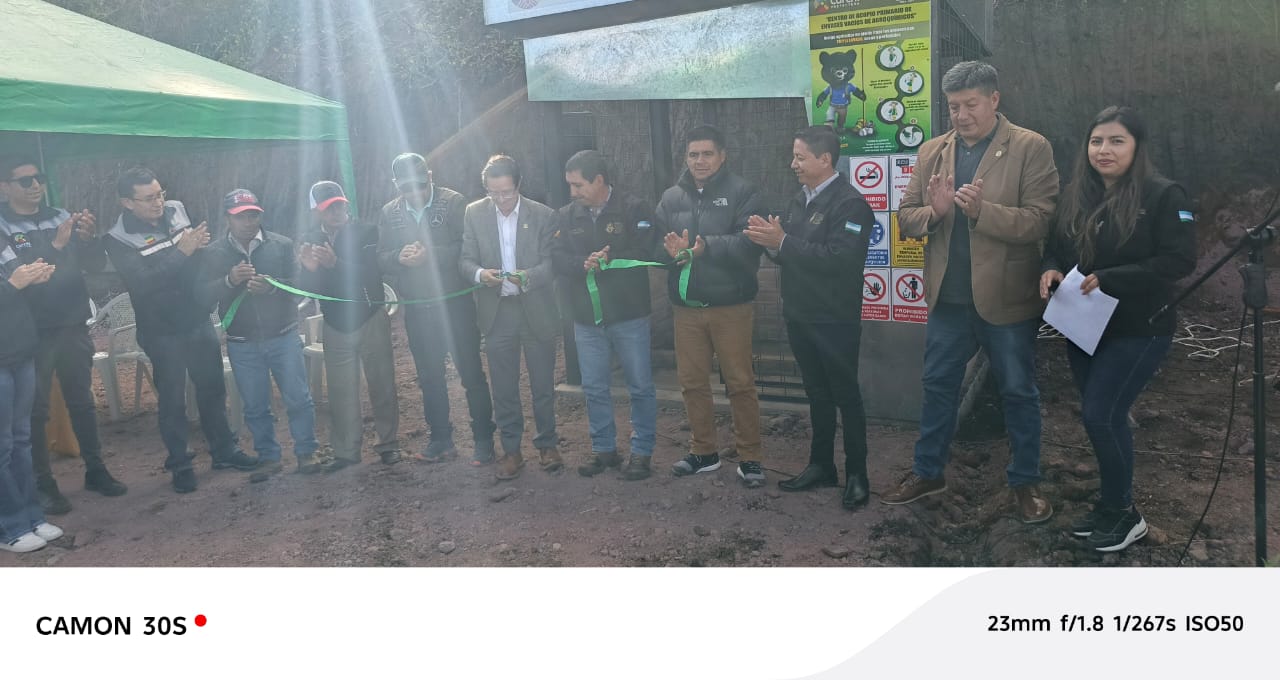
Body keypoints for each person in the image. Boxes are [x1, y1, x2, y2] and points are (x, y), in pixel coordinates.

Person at [881, 61, 1060, 524]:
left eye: (970, 105)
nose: (961, 116)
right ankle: (928, 472)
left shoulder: (1030, 147)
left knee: (1017, 391)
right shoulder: (932, 151)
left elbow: (1040, 220)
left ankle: (1024, 482)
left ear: (994, 99)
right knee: (937, 385)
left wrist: (983, 212)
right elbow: (906, 217)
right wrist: (936, 212)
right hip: (949, 298)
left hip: (1006, 297)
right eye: (953, 107)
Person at [1040, 106, 1197, 552]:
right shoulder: (1077, 195)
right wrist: (1050, 269)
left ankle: (1126, 513)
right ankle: (1111, 505)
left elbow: (1179, 260)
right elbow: (1055, 248)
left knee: (1102, 414)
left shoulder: (1164, 195)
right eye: (1096, 141)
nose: (1103, 150)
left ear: (1136, 147)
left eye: (1116, 141)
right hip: (1083, 325)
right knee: (1101, 418)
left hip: (1139, 328)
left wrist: (1113, 278)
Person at [104, 167, 259, 493]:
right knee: (173, 400)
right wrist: (182, 251)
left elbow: (197, 259)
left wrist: (207, 260)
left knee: (212, 390)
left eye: (160, 194)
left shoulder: (176, 209)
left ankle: (224, 451)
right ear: (127, 202)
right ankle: (181, 464)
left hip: (197, 318)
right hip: (161, 330)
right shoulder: (117, 238)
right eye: (148, 198)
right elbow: (143, 283)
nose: (158, 202)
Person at [745, 126, 874, 506]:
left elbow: (841, 259)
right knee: (816, 393)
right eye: (794, 157)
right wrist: (771, 244)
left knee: (845, 395)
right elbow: (791, 254)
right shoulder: (799, 200)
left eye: (800, 157)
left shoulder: (851, 205)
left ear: (825, 160)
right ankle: (821, 465)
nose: (793, 164)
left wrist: (783, 242)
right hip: (800, 314)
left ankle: (857, 474)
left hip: (834, 318)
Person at [0, 157, 127, 515]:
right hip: (32, 331)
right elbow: (21, 275)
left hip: (72, 323)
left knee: (82, 401)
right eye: (25, 181)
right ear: (4, 188)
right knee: (36, 411)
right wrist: (55, 246)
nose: (35, 186)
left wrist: (87, 240)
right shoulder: (3, 226)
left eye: (38, 178)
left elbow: (93, 265)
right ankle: (43, 484)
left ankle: (96, 469)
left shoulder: (60, 216)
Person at [654, 125, 768, 488]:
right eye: (693, 155)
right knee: (691, 383)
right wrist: (668, 252)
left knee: (740, 383)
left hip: (730, 306)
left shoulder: (744, 192)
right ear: (685, 158)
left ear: (722, 156)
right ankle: (703, 451)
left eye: (707, 154)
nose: (699, 161)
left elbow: (750, 242)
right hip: (686, 309)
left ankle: (750, 457)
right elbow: (655, 245)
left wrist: (706, 247)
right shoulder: (671, 198)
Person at [378, 153, 497, 465]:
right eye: (406, 187)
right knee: (429, 377)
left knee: (471, 374)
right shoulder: (389, 212)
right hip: (418, 310)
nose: (415, 192)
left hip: (455, 305)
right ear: (396, 184)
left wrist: (431, 255)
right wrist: (398, 257)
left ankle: (483, 439)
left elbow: (467, 248)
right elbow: (381, 256)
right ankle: (441, 439)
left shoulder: (454, 203)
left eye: (420, 184)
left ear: (430, 176)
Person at [551, 150, 658, 480]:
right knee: (594, 387)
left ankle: (642, 453)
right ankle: (604, 450)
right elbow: (556, 257)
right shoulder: (566, 216)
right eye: (570, 185)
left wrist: (610, 260)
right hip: (586, 318)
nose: (573, 192)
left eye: (578, 185)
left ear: (599, 180)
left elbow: (646, 250)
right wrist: (582, 263)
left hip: (629, 314)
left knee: (640, 386)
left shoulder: (634, 208)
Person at [197, 189, 319, 477]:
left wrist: (272, 286)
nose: (248, 222)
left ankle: (307, 452)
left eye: (253, 215)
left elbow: (300, 284)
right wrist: (229, 280)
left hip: (283, 335)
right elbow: (202, 296)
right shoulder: (214, 253)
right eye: (241, 216)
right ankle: (268, 457)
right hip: (242, 342)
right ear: (228, 218)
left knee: (298, 398)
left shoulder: (281, 245)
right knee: (255, 406)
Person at [460, 155, 560, 480]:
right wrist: (480, 275)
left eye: (506, 192)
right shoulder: (474, 213)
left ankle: (547, 445)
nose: (501, 199)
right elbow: (465, 260)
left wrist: (528, 277)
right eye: (494, 193)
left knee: (542, 383)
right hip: (497, 311)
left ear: (518, 186)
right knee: (503, 386)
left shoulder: (543, 215)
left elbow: (551, 264)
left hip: (535, 308)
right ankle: (512, 450)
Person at [298, 181, 402, 470]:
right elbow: (310, 290)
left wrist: (336, 263)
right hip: (335, 323)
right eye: (328, 208)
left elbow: (371, 276)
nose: (335, 212)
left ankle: (389, 444)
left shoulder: (366, 232)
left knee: (382, 384)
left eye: (339, 206)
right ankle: (346, 450)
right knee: (341, 391)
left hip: (370, 317)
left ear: (346, 205)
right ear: (316, 211)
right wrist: (308, 270)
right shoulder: (310, 239)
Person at [0, 250, 63, 553]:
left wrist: (34, 277)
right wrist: (12, 285)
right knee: (2, 447)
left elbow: (16, 284)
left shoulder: (2, 242)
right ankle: (9, 527)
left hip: (20, 351)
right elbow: (11, 285)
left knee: (22, 441)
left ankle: (31, 517)